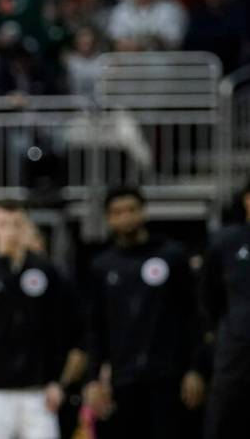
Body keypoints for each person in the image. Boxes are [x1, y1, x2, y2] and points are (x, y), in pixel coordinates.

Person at [84, 187, 204, 439]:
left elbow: (194, 315)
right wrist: (93, 379)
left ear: (143, 212)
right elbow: (95, 326)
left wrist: (196, 369)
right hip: (122, 379)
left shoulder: (172, 256)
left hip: (169, 378)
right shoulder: (101, 266)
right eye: (117, 212)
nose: (125, 217)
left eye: (131, 210)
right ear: (108, 218)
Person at [0, 203, 81, 439]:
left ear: (27, 227)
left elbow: (59, 329)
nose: (11, 231)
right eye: (3, 224)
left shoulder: (45, 271)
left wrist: (57, 381)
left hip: (38, 390)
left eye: (17, 224)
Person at [200, 178, 250, 439]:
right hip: (236, 354)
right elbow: (209, 299)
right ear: (247, 200)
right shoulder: (225, 242)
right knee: (225, 421)